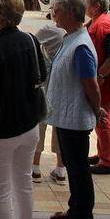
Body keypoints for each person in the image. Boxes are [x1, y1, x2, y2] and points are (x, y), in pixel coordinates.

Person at [0, 0, 47, 219]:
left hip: (1, 130)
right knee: (24, 183)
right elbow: (42, 75)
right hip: (29, 124)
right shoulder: (30, 40)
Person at [46, 0, 102, 219]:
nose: (53, 16)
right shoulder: (71, 38)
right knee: (73, 164)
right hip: (66, 115)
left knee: (78, 168)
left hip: (75, 117)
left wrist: (97, 110)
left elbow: (91, 84)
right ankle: (75, 207)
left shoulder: (80, 45)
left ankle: (82, 213)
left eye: (56, 11)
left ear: (70, 13)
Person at [84, 0, 110, 176]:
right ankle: (102, 154)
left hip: (103, 82)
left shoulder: (105, 25)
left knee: (102, 118)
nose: (85, 6)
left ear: (96, 6)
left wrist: (100, 76)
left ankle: (108, 161)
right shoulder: (97, 22)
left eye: (87, 3)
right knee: (100, 118)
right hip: (100, 80)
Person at [33, 11, 67, 185]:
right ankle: (61, 169)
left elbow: (33, 42)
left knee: (40, 124)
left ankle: (35, 168)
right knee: (59, 126)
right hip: (62, 85)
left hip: (46, 83)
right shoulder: (68, 34)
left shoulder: (48, 30)